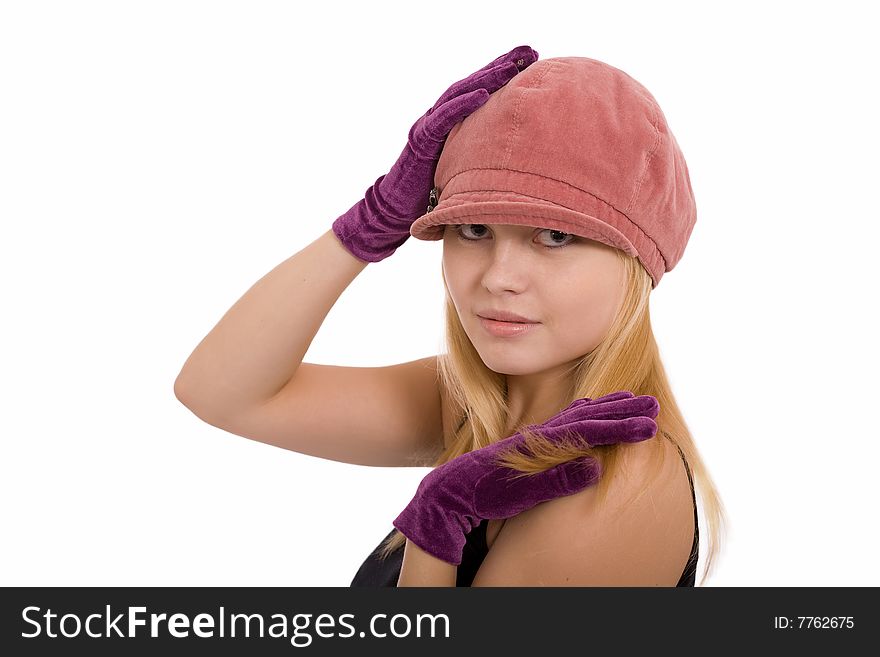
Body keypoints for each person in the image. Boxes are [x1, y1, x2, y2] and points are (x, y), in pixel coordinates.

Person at [174, 45, 727, 587]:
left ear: (638, 260)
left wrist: (437, 521)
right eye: (474, 230)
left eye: (554, 236)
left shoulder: (612, 481)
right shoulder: (475, 405)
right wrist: (370, 224)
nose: (496, 276)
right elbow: (220, 391)